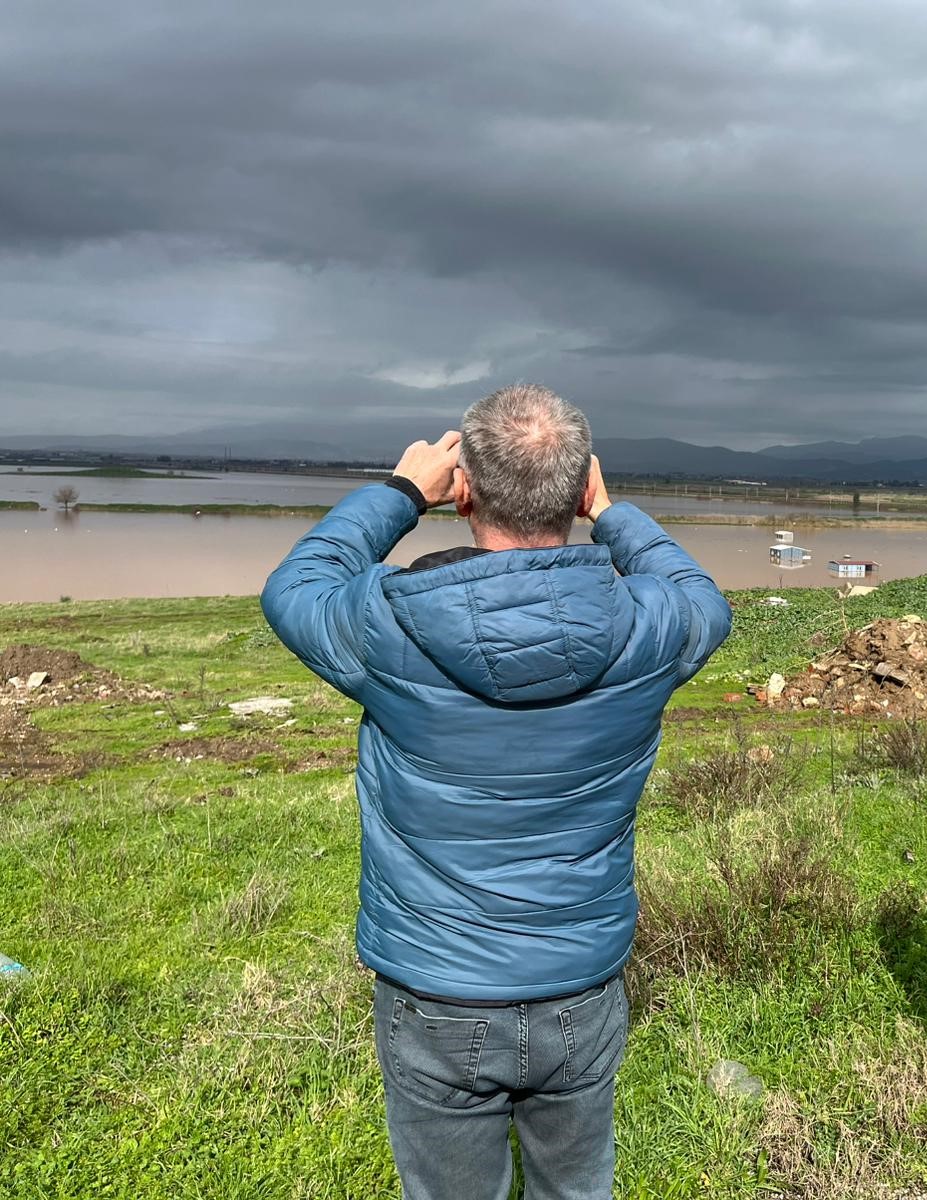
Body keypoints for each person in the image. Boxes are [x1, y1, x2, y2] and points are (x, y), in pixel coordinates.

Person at [262, 384, 731, 1200]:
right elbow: (702, 598)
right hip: (578, 985)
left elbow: (296, 586)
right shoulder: (648, 627)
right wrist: (612, 514)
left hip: (435, 990)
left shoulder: (388, 623)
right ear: (580, 486)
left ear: (464, 490)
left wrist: (400, 492)